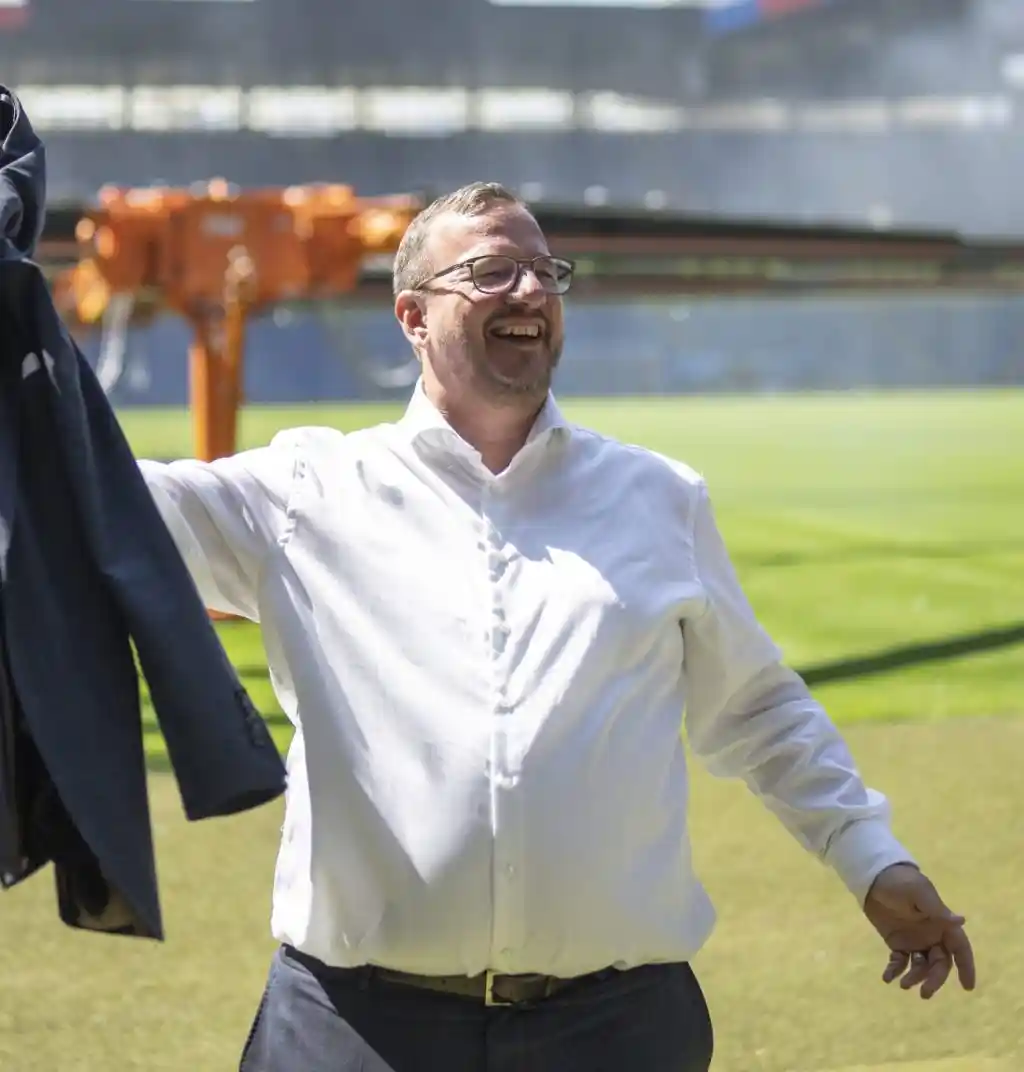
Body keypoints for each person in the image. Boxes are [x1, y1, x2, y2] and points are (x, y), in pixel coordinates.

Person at [138, 182, 975, 1072]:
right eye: (492, 272)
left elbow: (758, 711)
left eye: (546, 271)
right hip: (354, 1026)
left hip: (614, 1029)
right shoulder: (308, 493)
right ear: (413, 316)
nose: (532, 290)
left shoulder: (660, 498)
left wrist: (870, 857)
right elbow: (103, 506)